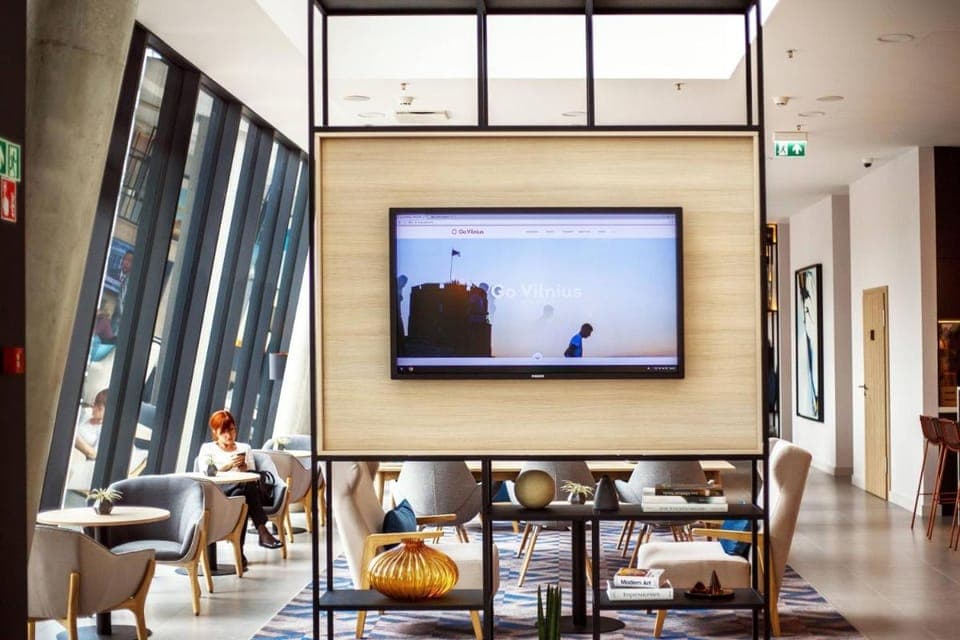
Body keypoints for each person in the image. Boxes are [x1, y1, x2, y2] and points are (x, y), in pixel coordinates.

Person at [197, 410, 283, 564]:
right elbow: (207, 472)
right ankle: (261, 531)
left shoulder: (244, 448)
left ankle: (242, 550)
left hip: (240, 491)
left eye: (231, 430)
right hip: (219, 492)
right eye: (223, 432)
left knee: (242, 496)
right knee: (244, 493)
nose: (229, 435)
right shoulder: (208, 449)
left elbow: (253, 476)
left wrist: (243, 468)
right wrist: (229, 465)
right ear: (215, 432)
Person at [74, 388, 107, 460]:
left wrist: (75, 439)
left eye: (99, 408)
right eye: (94, 404)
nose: (94, 408)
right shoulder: (85, 413)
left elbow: (94, 454)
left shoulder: (103, 431)